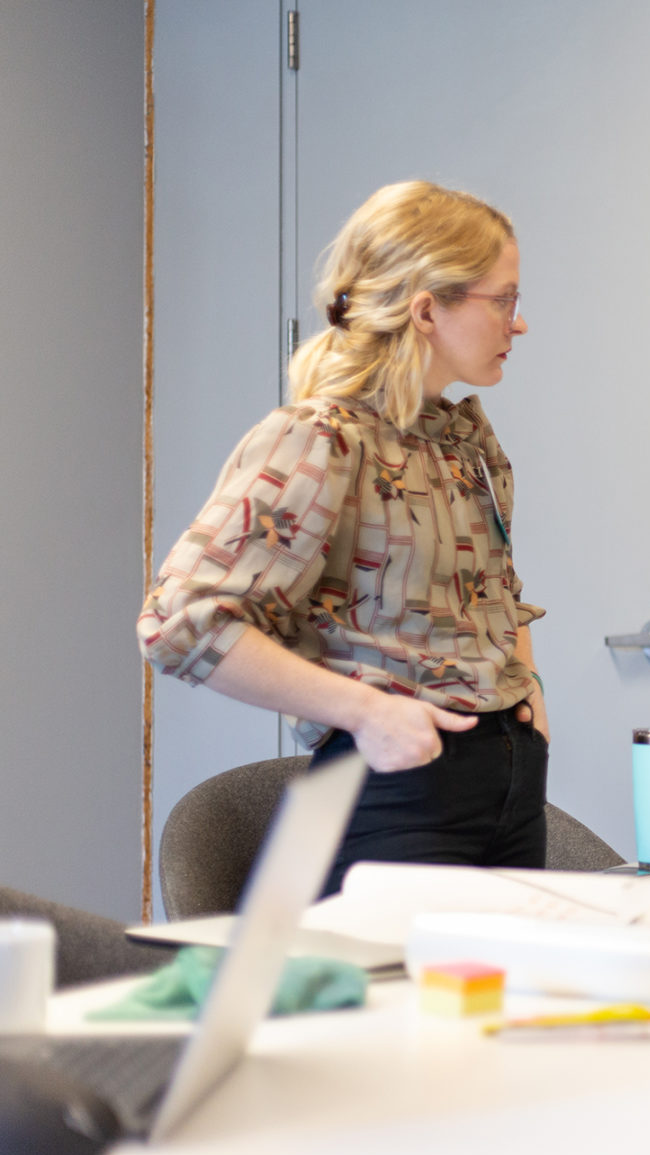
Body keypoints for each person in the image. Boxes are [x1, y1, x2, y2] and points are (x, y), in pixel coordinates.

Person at [138, 181, 547, 895]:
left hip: (508, 786)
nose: (520, 323)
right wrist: (367, 711)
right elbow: (180, 624)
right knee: (402, 1009)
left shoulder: (457, 440)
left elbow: (498, 595)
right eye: (504, 299)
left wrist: (530, 704)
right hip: (399, 796)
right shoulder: (321, 439)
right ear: (428, 309)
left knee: (492, 1008)